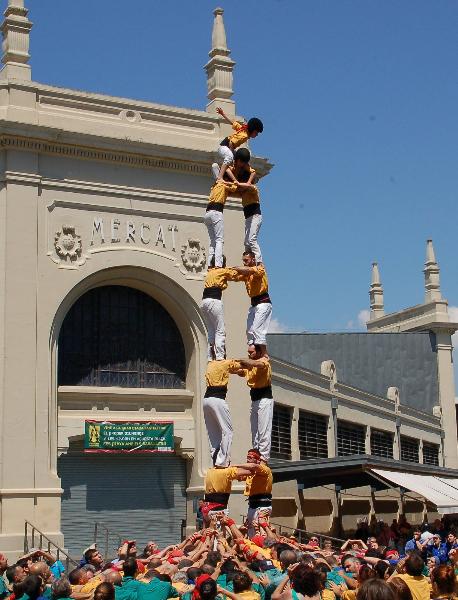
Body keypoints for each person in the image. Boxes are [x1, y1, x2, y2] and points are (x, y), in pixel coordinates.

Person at [225, 148, 263, 264]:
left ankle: (259, 262)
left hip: (255, 216)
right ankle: (249, 261)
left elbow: (248, 185)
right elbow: (237, 190)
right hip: (248, 217)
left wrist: (237, 182)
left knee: (252, 240)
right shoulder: (244, 192)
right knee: (246, 242)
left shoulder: (253, 189)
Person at [236, 346, 273, 463]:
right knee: (255, 430)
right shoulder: (251, 365)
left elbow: (258, 364)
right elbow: (240, 371)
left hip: (264, 398)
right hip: (255, 399)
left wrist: (242, 361)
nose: (249, 354)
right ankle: (256, 453)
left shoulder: (263, 362)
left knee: (264, 429)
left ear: (258, 352)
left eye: (251, 352)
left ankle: (264, 457)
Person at [203, 358, 242, 467]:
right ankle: (223, 461)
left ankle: (215, 456)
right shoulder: (225, 363)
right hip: (218, 399)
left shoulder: (210, 363)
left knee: (213, 433)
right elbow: (242, 366)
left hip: (206, 400)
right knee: (227, 431)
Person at [233, 251, 272, 356]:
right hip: (254, 304)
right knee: (249, 331)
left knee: (257, 329)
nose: (244, 263)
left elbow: (249, 270)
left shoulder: (259, 268)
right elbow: (236, 276)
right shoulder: (246, 274)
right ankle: (253, 349)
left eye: (246, 260)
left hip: (263, 303)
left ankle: (264, 354)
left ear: (253, 260)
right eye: (243, 261)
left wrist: (236, 268)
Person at [201, 257, 239, 361]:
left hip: (204, 301)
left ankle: (210, 356)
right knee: (220, 330)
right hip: (214, 300)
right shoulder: (222, 271)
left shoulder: (210, 271)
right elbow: (235, 274)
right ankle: (219, 356)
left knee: (211, 331)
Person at [213, 107, 263, 182]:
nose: (256, 135)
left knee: (240, 158)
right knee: (230, 157)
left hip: (226, 146)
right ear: (252, 130)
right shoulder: (244, 136)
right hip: (224, 147)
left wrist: (223, 114)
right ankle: (220, 177)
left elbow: (233, 123)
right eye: (256, 133)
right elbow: (231, 143)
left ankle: (225, 173)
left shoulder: (243, 129)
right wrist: (233, 157)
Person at [242, 448, 273, 536]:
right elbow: (240, 475)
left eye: (250, 457)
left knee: (262, 533)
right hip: (252, 506)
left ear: (257, 459)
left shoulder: (264, 469)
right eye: (247, 457)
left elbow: (254, 466)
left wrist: (234, 465)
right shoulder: (252, 473)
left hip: (262, 507)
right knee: (252, 533)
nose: (248, 459)